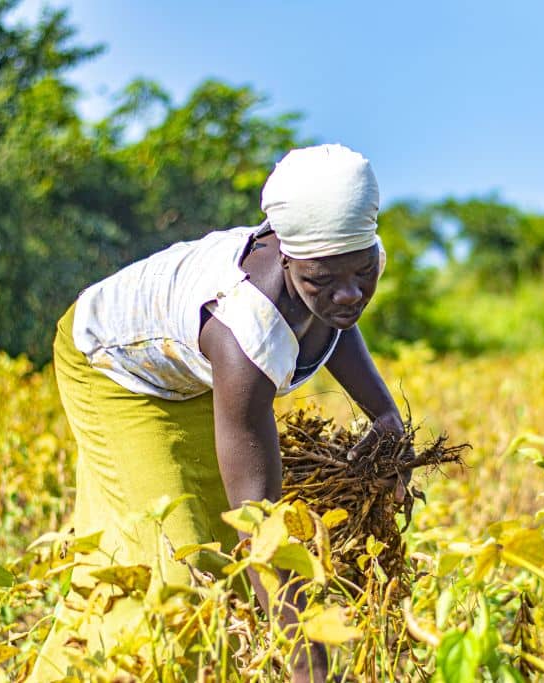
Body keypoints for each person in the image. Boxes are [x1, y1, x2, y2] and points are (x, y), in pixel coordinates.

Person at [30, 144, 406, 682]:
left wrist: (385, 418)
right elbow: (256, 515)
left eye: (363, 271)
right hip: (110, 369)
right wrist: (307, 662)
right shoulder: (241, 331)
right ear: (284, 254)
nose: (350, 295)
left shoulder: (331, 269)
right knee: (180, 579)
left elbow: (335, 324)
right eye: (325, 280)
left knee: (213, 564)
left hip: (189, 375)